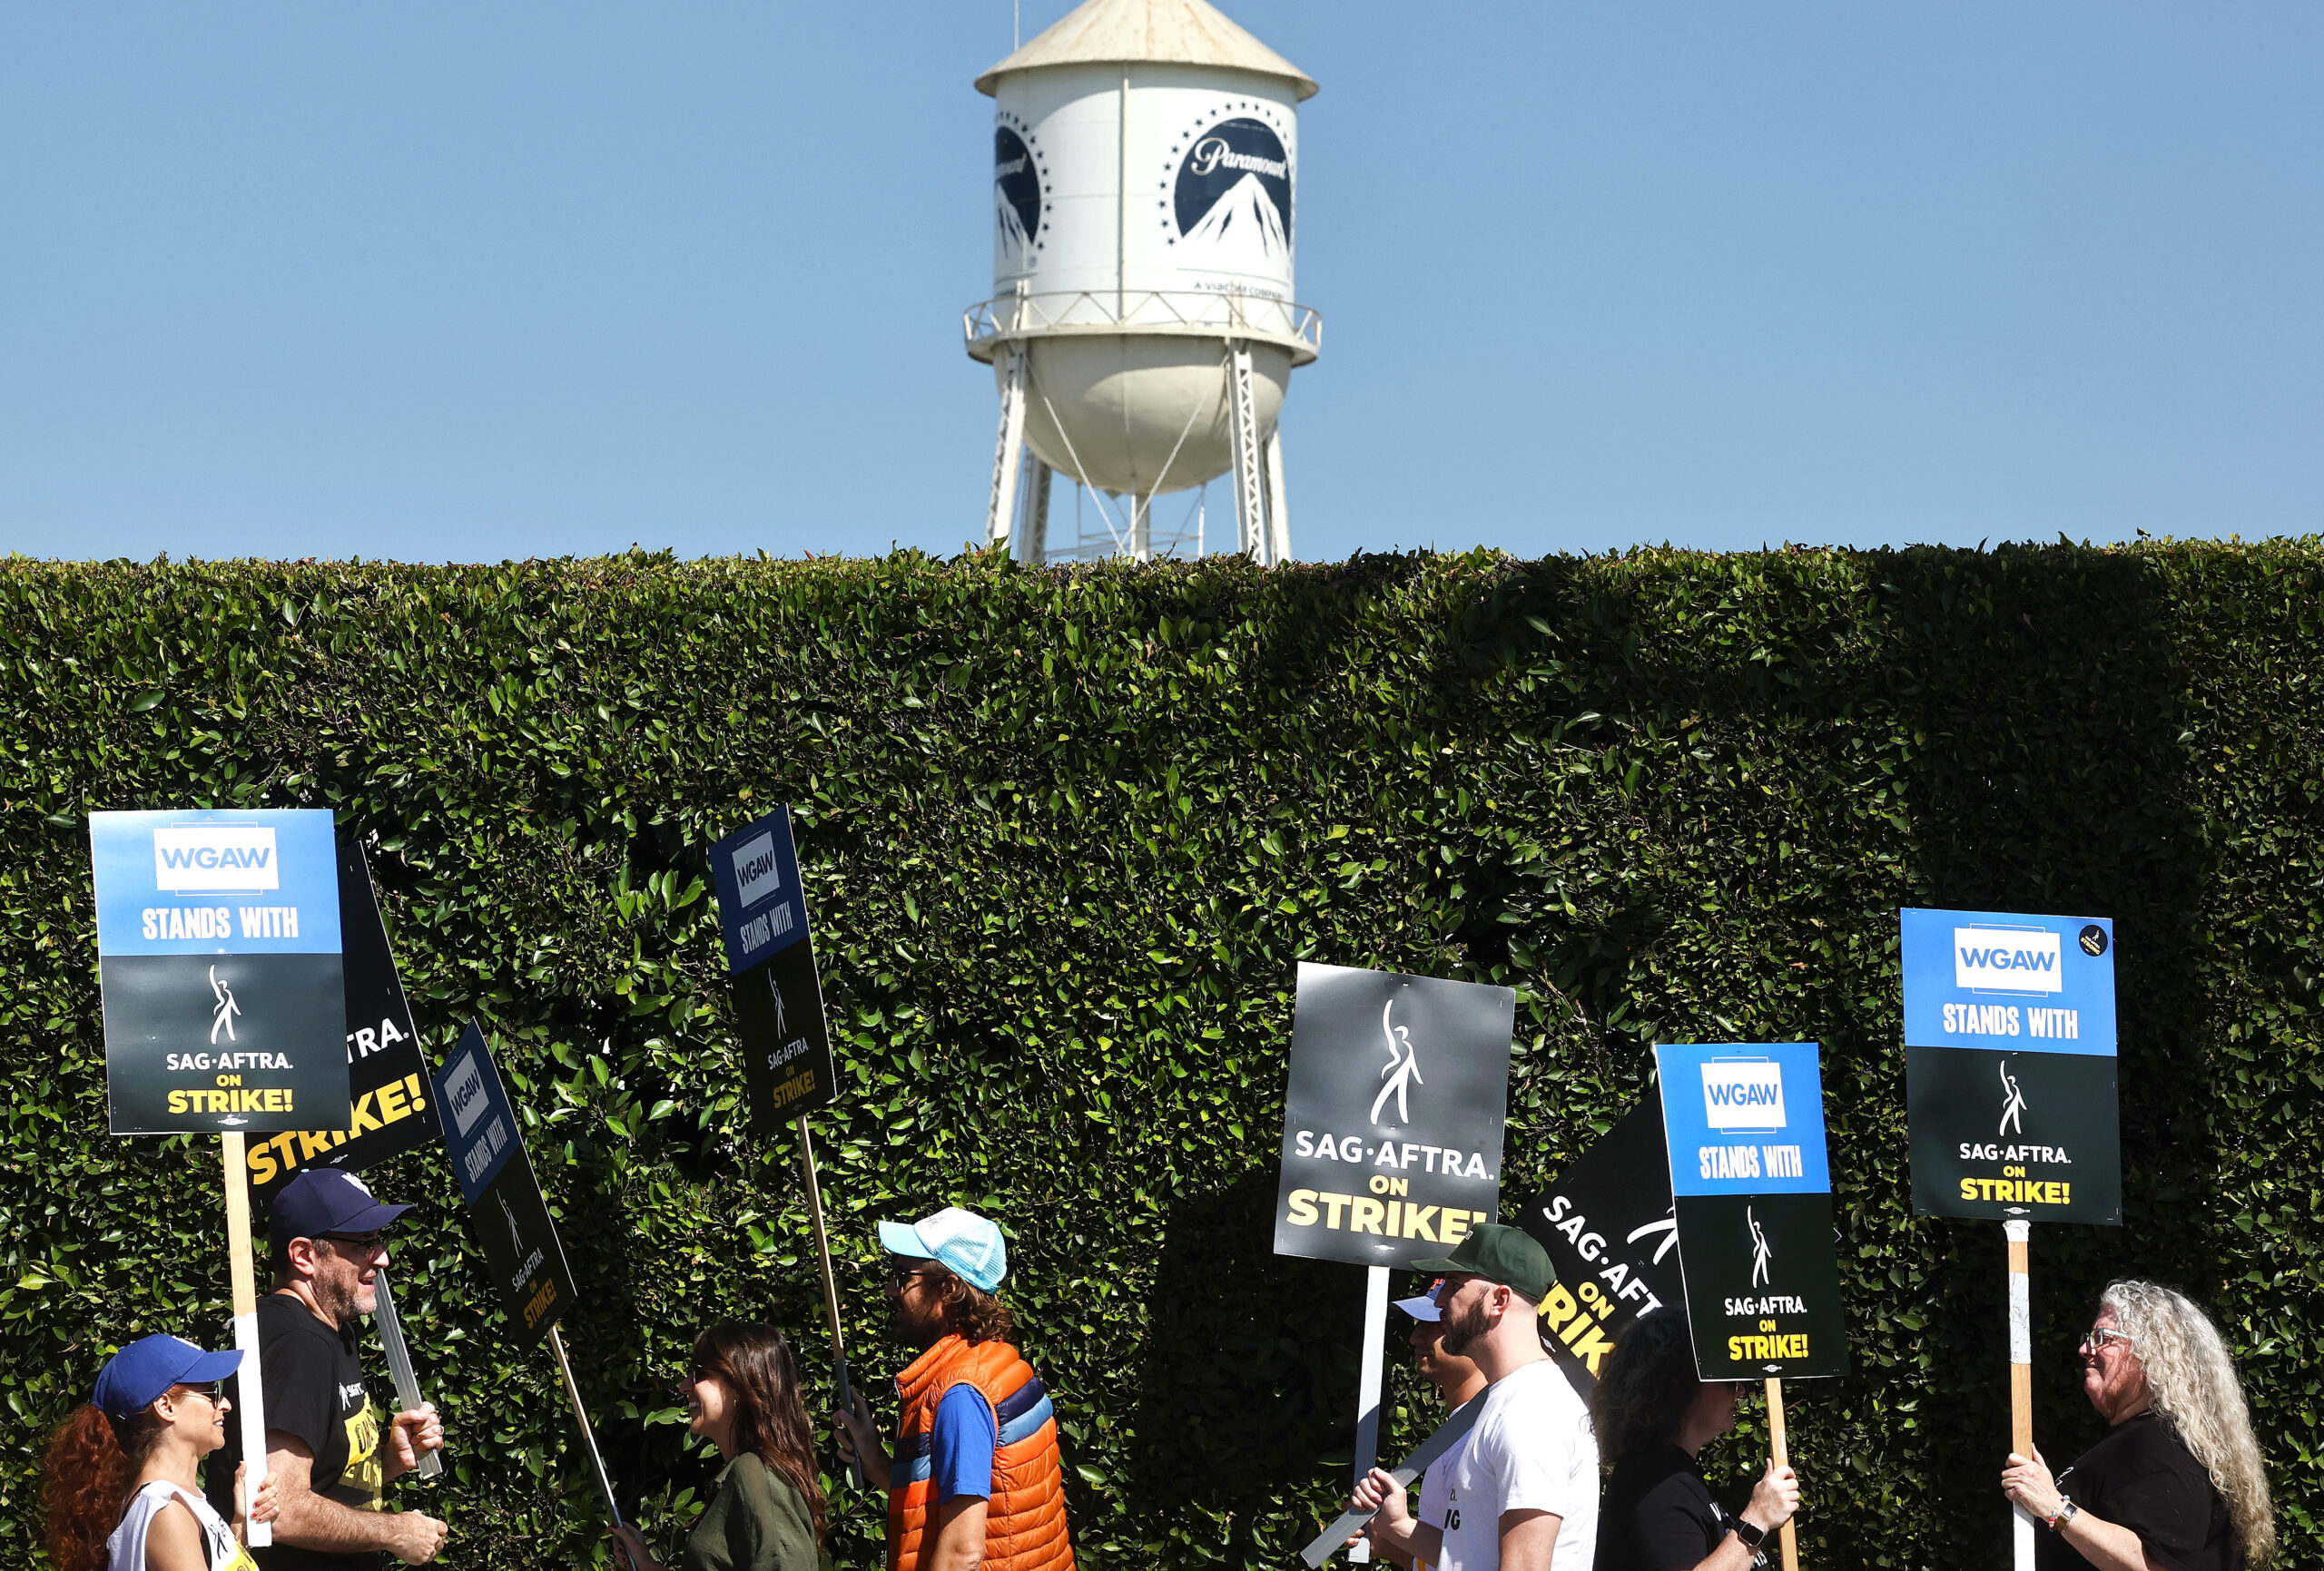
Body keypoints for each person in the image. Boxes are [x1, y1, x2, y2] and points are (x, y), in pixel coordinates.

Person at [205, 1170, 448, 1569]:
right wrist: (396, 1531)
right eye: (364, 1244)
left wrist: (387, 1459)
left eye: (379, 1241)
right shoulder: (299, 1343)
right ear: (304, 1256)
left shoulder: (335, 1330)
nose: (382, 1258)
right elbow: (279, 1512)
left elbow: (322, 1486)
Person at [834, 1205, 1076, 1571]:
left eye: (902, 1276)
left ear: (947, 1289)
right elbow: (958, 1501)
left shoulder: (961, 1393)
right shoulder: (997, 1362)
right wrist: (878, 1463)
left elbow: (963, 1552)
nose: (889, 1290)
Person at [1352, 1225, 1600, 1571]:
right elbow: (1471, 1555)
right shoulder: (1510, 1399)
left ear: (1499, 1300)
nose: (1440, 1301)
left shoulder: (1532, 1413)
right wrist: (1398, 1525)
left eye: (1454, 1285)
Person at [2002, 1279, 2277, 1570]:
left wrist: (2054, 1507)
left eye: (2101, 1338)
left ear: (2150, 1350)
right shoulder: (2144, 1438)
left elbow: (2158, 1565)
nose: (2084, 1349)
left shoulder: (2164, 1446)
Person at [42, 1332, 278, 1571]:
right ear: (166, 1407)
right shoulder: (167, 1511)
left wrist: (239, 1528)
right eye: (211, 1393)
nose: (225, 1404)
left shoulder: (176, 1501)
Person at [1588, 1307, 1798, 1571]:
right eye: (1728, 1378)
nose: (1740, 1389)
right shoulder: (1654, 1483)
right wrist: (1757, 1520)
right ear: (1681, 1382)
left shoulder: (1671, 1474)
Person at [607, 1321, 827, 1571]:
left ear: (741, 1383)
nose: (683, 1386)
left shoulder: (755, 1473)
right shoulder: (746, 1472)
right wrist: (646, 1565)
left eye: (699, 1373)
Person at [1358, 1278, 1488, 1571]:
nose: (1415, 1337)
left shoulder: (1482, 1435)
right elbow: (1454, 1556)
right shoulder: (1460, 1429)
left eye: (1438, 1322)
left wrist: (1400, 1528)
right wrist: (1389, 1540)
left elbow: (1485, 1560)